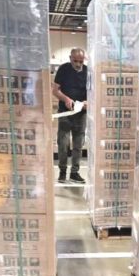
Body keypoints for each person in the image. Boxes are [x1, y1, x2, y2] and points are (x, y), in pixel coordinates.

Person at [52, 48, 88, 183]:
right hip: (65, 112)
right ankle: (62, 171)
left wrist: (87, 102)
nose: (78, 64)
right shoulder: (63, 69)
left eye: (81, 61)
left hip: (81, 113)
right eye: (75, 61)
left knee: (78, 144)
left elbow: (92, 92)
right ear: (70, 58)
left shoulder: (88, 71)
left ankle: (74, 172)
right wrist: (66, 99)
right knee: (63, 143)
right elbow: (55, 90)